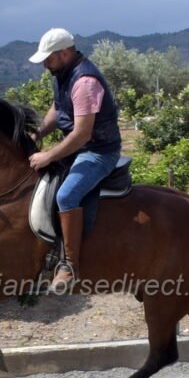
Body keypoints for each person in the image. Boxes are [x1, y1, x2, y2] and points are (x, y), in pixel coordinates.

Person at [28, 28, 122, 293]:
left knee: (66, 196)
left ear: (65, 53)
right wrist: (37, 134)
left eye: (49, 58)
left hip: (98, 152)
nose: (45, 64)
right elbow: (58, 108)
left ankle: (70, 266)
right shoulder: (63, 75)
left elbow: (82, 134)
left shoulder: (85, 83)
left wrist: (48, 155)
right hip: (77, 149)